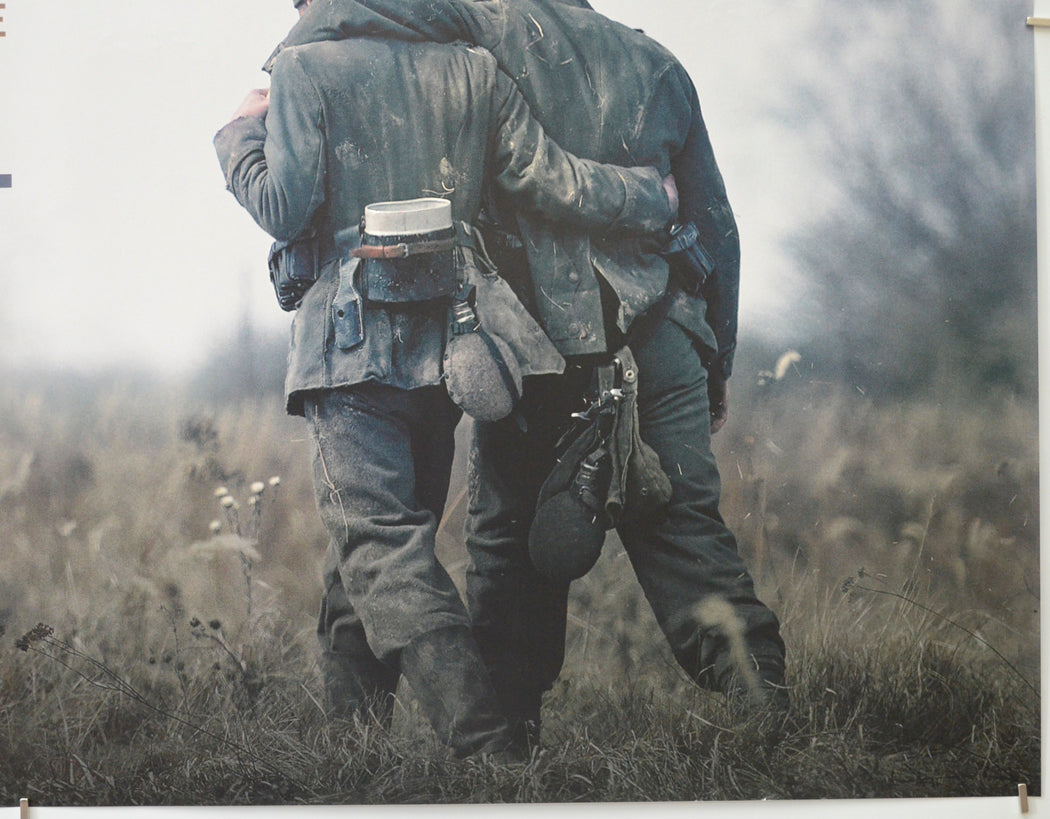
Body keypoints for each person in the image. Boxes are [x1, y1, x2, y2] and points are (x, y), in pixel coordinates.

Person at [268, 0, 789, 753]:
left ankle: (503, 751)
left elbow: (357, 9)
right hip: (663, 335)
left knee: (507, 552)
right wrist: (718, 361)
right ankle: (773, 712)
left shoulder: (470, 26)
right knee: (687, 533)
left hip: (544, 343)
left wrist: (277, 69)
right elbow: (715, 226)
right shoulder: (654, 61)